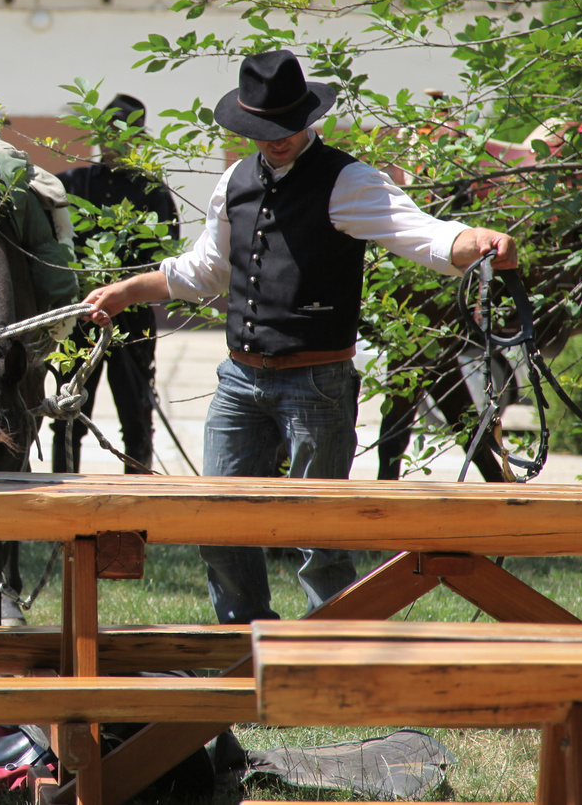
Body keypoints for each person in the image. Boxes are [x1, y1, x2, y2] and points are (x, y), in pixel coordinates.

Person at [82, 50, 517, 624]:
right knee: (218, 525)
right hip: (239, 379)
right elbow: (205, 270)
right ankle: (246, 647)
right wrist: (126, 290)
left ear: (308, 118)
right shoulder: (234, 181)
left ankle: (329, 658)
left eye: (285, 126)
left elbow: (424, 236)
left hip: (317, 383)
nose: (276, 139)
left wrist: (477, 242)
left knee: (321, 539)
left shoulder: (349, 180)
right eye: (263, 129)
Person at [55, 94, 180, 473]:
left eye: (124, 133)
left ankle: (138, 502)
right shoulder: (70, 184)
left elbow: (166, 256)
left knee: (137, 418)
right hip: (78, 320)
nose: (115, 141)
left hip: (133, 320)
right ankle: (61, 501)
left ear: (139, 137)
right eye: (108, 132)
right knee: (67, 414)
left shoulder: (152, 191)